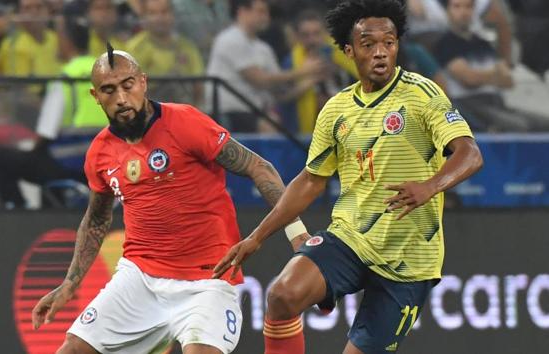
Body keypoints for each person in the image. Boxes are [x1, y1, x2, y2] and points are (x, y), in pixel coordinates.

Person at [212, 1, 484, 353]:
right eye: (369, 44)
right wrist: (257, 237)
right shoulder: (336, 109)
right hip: (350, 240)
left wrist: (430, 186)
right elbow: (311, 181)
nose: (381, 52)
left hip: (408, 261)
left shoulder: (422, 94)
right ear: (348, 50)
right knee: (281, 295)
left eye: (389, 42)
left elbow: (470, 154)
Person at [31, 46, 307, 353]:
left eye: (128, 85)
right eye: (109, 90)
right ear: (96, 96)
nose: (121, 98)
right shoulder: (100, 152)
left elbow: (259, 167)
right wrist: (70, 284)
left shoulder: (184, 122)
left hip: (208, 279)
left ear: (143, 82)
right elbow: (97, 219)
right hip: (140, 279)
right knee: (70, 349)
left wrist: (297, 234)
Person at [0, 15, 105, 208]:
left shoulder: (65, 78)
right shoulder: (108, 75)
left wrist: (32, 151)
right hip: (106, 167)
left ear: (67, 42)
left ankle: (19, 210)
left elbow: (45, 133)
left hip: (69, 166)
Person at [206, 0, 327, 133]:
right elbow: (259, 79)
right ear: (242, 12)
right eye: (260, 11)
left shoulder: (264, 49)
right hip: (231, 112)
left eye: (267, 12)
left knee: (276, 124)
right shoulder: (230, 39)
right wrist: (303, 72)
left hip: (260, 112)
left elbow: (278, 92)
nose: (266, 17)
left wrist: (305, 85)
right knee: (271, 127)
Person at [434, 0, 549, 131]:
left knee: (544, 123)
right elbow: (468, 79)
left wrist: (484, 76)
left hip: (496, 102)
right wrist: (494, 75)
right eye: (457, 7)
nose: (463, 12)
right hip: (470, 105)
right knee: (518, 126)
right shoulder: (445, 44)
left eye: (468, 7)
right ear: (448, 11)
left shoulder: (483, 43)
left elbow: (508, 81)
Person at [127, 0, 204, 106]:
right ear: (143, 17)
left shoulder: (187, 47)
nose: (159, 18)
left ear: (173, 15)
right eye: (152, 13)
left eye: (164, 12)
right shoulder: (134, 48)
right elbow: (131, 89)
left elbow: (199, 87)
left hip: (183, 114)